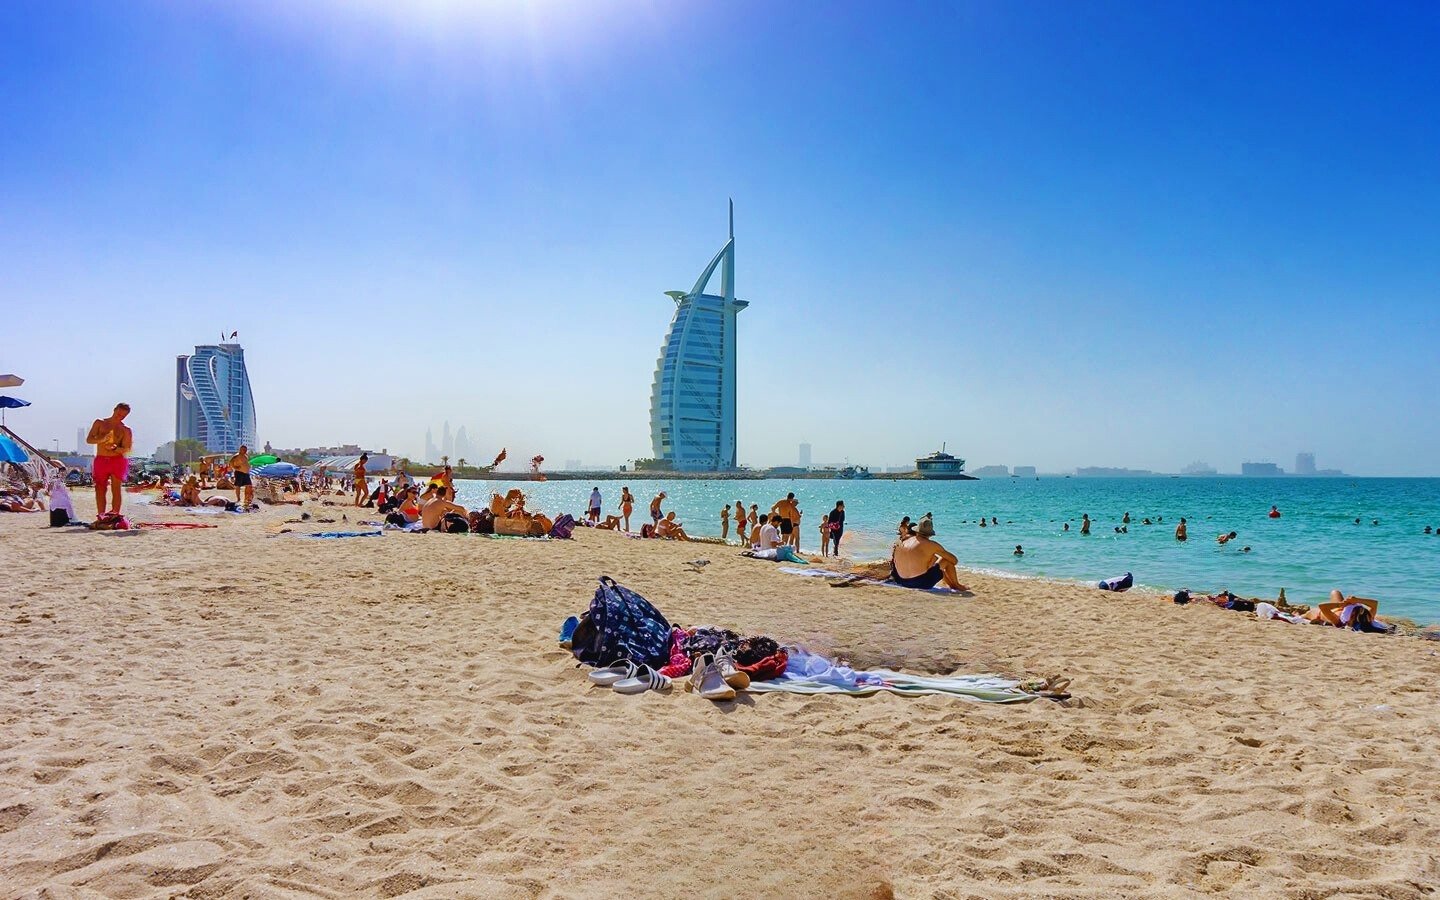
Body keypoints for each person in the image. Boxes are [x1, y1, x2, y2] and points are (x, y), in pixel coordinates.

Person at [888, 515, 968, 591]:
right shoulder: (931, 545)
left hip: (901, 580)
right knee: (946, 561)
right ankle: (956, 585)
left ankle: (951, 584)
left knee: (931, 560)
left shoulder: (903, 541)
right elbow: (954, 561)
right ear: (930, 533)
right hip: (920, 583)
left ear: (917, 530)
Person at [86, 402, 133, 519]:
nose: (120, 417)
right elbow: (89, 439)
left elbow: (127, 448)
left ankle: (114, 513)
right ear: (114, 410)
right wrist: (102, 439)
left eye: (123, 416)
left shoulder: (125, 430)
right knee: (100, 487)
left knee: (116, 488)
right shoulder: (100, 423)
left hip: (117, 460)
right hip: (101, 458)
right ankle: (101, 514)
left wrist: (115, 448)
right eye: (118, 414)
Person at [1302, 591, 1389, 632]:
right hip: (1340, 608)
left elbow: (1321, 606)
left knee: (1306, 614)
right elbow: (1375, 603)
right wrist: (1357, 600)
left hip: (1320, 614)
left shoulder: (1338, 621)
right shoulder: (1366, 617)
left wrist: (1340, 605)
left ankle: (1297, 614)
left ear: (1349, 619)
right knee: (1335, 592)